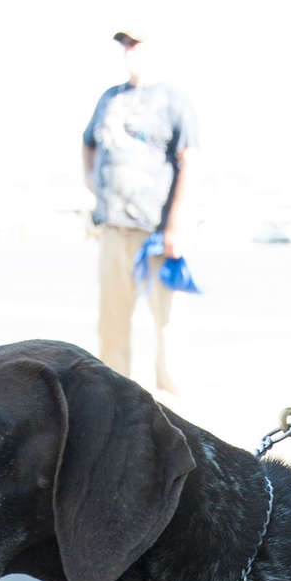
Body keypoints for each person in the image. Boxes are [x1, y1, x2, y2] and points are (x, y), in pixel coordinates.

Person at [82, 27, 200, 393]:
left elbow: (190, 162)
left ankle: (175, 398)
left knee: (168, 321)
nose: (130, 50)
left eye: (137, 43)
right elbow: (87, 143)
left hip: (158, 231)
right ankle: (114, 399)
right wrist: (92, 181)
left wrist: (176, 227)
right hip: (114, 227)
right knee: (112, 321)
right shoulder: (109, 99)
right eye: (125, 44)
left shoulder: (174, 100)